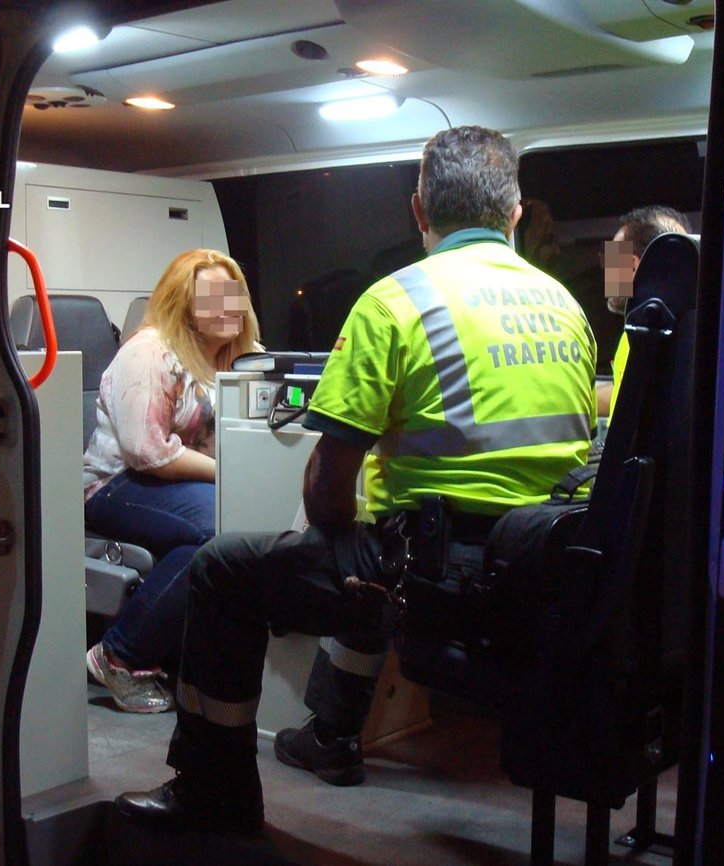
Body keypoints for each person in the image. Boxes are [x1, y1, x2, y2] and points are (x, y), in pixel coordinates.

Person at [114, 126, 597, 832]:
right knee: (370, 549)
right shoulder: (566, 307)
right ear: (515, 213)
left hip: (443, 580)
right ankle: (331, 736)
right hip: (544, 573)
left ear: (419, 210)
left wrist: (344, 535)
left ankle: (212, 792)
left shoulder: (396, 302)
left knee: (232, 567)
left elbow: (326, 486)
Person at [82, 249, 261, 713]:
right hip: (115, 484)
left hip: (181, 483)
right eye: (213, 297)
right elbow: (146, 451)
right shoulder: (149, 353)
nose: (229, 307)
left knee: (247, 522)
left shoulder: (239, 358)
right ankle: (118, 655)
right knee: (221, 529)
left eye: (234, 295)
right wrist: (234, 474)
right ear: (183, 304)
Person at [596, 205, 691, 419]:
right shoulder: (687, 332)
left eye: (611, 261)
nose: (606, 273)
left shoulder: (643, 338)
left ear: (631, 265)